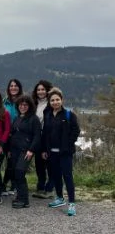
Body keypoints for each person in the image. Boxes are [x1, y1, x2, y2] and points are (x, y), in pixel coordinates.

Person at [42, 87, 80, 216]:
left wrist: (67, 145)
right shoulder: (47, 115)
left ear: (62, 100)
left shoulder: (69, 115)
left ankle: (72, 204)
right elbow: (45, 134)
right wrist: (44, 149)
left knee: (67, 177)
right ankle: (59, 197)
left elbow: (76, 132)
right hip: (51, 152)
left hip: (65, 153)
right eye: (52, 100)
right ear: (49, 102)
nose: (55, 102)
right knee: (56, 175)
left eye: (57, 99)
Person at [9, 95, 41, 209]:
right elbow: (12, 133)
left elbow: (37, 136)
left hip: (26, 151)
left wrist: (31, 150)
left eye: (25, 105)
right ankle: (19, 197)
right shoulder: (17, 118)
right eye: (21, 105)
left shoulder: (34, 119)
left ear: (29, 106)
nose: (23, 106)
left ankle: (25, 200)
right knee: (15, 173)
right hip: (15, 150)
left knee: (19, 172)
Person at [31, 80, 54, 199]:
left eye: (43, 89)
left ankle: (50, 189)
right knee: (39, 163)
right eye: (38, 89)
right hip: (37, 137)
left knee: (50, 163)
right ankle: (40, 187)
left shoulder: (51, 104)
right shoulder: (34, 103)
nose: (40, 92)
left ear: (47, 91)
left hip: (49, 137)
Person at [2, 78, 23, 196]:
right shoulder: (4, 102)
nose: (13, 88)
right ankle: (5, 185)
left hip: (19, 136)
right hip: (6, 136)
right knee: (8, 160)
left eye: (15, 86)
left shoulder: (23, 101)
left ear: (19, 88)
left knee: (13, 162)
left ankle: (10, 185)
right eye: (11, 86)